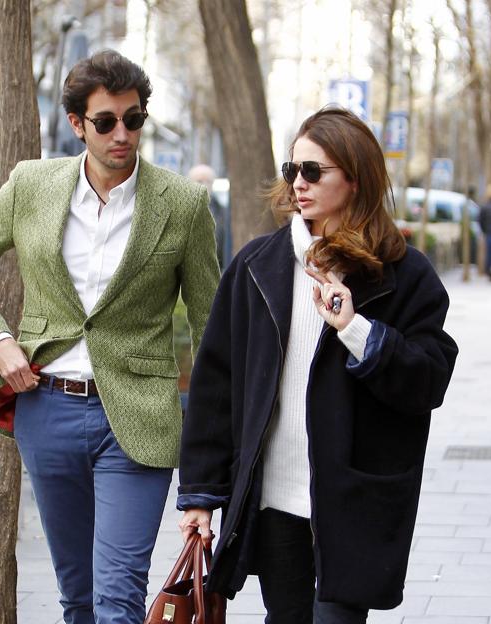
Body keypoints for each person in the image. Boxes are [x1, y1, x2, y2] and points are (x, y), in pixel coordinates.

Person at [0, 49, 220, 624]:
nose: (123, 133)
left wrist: (213, 449)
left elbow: (210, 322)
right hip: (47, 411)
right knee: (80, 600)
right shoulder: (32, 184)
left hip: (138, 420)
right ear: (77, 124)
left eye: (134, 119)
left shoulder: (184, 204)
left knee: (118, 600)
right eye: (106, 121)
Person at [177, 107, 458, 623]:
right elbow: (218, 385)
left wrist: (356, 331)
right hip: (276, 500)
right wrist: (200, 496)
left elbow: (429, 378)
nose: (297, 185)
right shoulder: (258, 266)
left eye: (313, 172)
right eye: (292, 171)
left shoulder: (403, 273)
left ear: (354, 179)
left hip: (352, 500)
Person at [188, 163, 227, 267]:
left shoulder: (222, 212)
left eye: (208, 181)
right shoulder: (180, 209)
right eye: (199, 181)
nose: (204, 185)